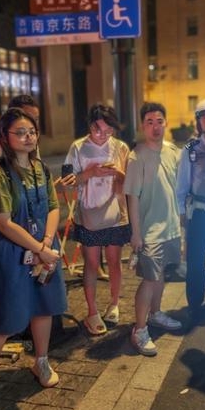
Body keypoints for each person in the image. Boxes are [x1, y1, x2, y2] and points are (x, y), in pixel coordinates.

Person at [0, 108, 66, 410]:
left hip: (44, 250)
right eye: (20, 133)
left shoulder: (40, 168)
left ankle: (41, 360)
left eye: (32, 132)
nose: (28, 137)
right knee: (4, 321)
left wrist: (46, 244)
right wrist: (40, 248)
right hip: (12, 255)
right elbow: (3, 222)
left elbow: (53, 206)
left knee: (44, 307)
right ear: (4, 137)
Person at [63, 104, 130, 335]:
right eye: (98, 130)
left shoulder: (120, 147)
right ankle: (92, 312)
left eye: (108, 130)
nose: (103, 135)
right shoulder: (78, 147)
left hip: (116, 213)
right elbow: (67, 180)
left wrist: (118, 174)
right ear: (90, 126)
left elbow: (130, 182)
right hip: (89, 214)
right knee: (91, 264)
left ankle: (114, 304)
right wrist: (90, 173)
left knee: (114, 261)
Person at [124, 102, 183, 356]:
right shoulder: (136, 157)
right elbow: (132, 197)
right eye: (149, 122)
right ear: (142, 126)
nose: (155, 127)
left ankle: (156, 313)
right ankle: (139, 329)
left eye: (159, 121)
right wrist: (136, 233)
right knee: (149, 279)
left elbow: (179, 187)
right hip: (149, 231)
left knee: (160, 275)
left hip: (170, 227)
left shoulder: (173, 151)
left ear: (165, 123)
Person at [175, 98, 205, 324]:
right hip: (199, 212)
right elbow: (181, 185)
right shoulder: (190, 149)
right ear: (199, 121)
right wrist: (181, 214)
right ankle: (194, 304)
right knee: (195, 262)